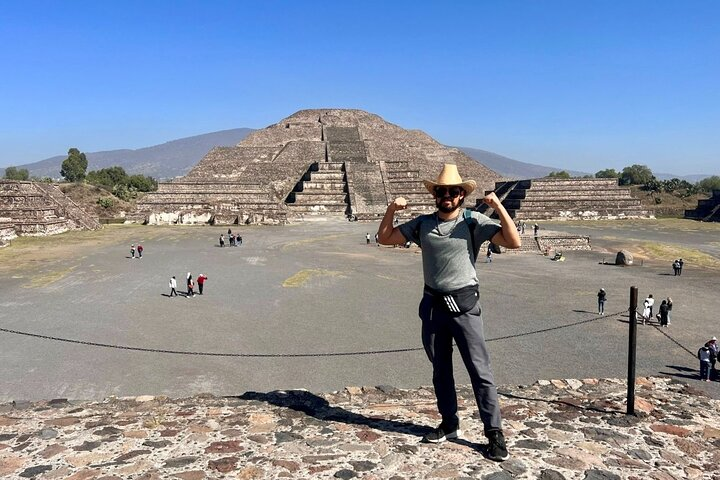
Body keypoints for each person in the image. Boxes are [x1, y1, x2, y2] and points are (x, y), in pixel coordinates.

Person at [377, 164, 521, 462]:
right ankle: (449, 423)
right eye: (441, 191)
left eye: (453, 192)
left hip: (464, 306)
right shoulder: (422, 224)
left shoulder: (473, 222)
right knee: (440, 370)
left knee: (479, 370)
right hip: (432, 306)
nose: (447, 196)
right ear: (435, 194)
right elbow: (384, 238)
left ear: (461, 195)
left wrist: (499, 207)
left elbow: (514, 241)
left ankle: (494, 433)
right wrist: (391, 208)